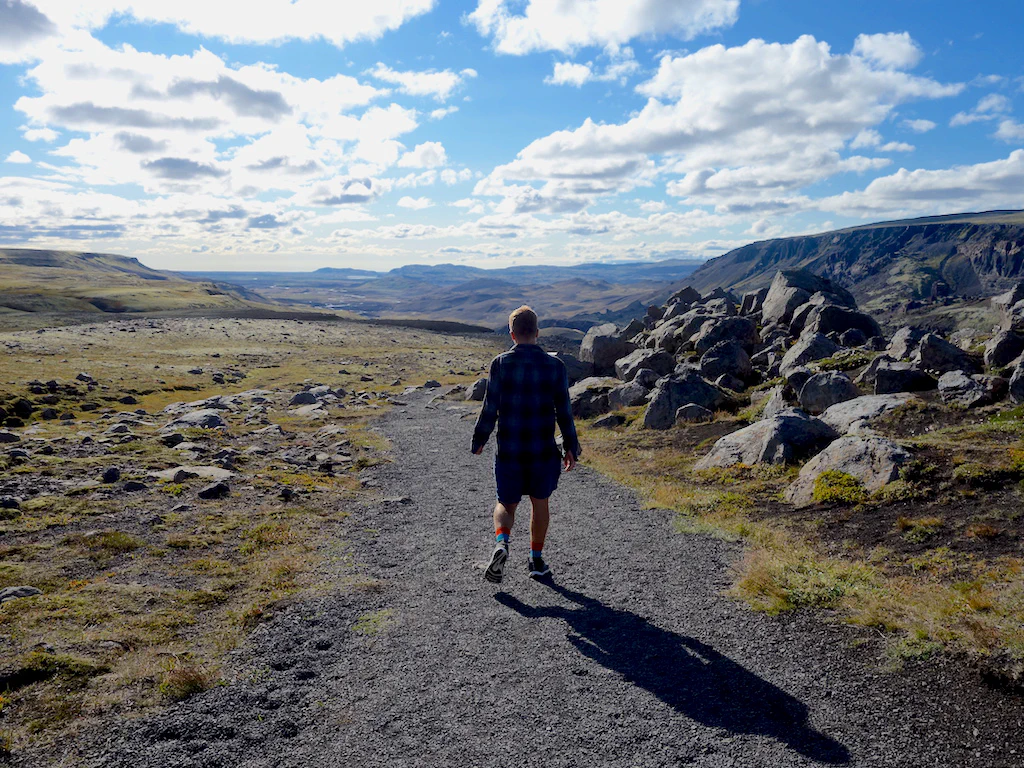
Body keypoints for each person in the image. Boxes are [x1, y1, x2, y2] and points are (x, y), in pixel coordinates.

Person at [472, 305, 581, 584]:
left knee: (506, 503)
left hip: (509, 449)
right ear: (537, 333)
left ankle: (502, 543)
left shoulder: (500, 364)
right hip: (542, 451)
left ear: (512, 334)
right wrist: (571, 446)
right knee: (539, 502)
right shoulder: (555, 366)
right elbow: (564, 410)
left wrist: (480, 439)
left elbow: (490, 407)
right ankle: (536, 560)